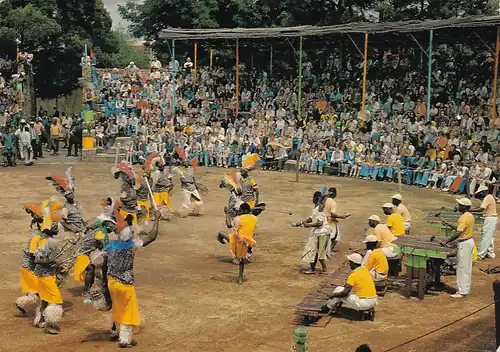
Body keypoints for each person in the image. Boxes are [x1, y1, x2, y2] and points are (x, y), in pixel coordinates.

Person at [105, 203, 160, 348]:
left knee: (117, 307)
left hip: (111, 281)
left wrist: (116, 210)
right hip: (124, 283)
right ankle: (124, 339)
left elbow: (103, 263)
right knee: (128, 310)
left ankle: (115, 331)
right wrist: (157, 219)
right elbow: (152, 236)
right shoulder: (131, 245)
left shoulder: (111, 243)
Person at [33, 217, 64, 334]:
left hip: (46, 275)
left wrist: (57, 266)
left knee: (45, 299)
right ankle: (51, 325)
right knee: (56, 300)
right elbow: (37, 260)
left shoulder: (49, 241)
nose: (57, 229)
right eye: (55, 228)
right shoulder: (46, 243)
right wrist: (53, 262)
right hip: (44, 275)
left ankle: (39, 320)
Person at [441, 198, 475, 298]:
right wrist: (449, 224)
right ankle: (464, 289)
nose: (458, 206)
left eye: (460, 205)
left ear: (464, 207)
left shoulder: (463, 218)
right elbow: (459, 228)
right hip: (469, 242)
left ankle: (462, 292)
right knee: (466, 268)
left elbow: (459, 232)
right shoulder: (470, 216)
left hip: (465, 244)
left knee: (462, 268)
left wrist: (447, 241)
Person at [217, 203, 258, 284]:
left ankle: (220, 235)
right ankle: (240, 278)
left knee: (240, 257)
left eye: (240, 210)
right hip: (248, 240)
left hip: (238, 240)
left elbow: (231, 227)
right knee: (242, 260)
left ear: (243, 210)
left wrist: (227, 213)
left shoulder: (238, 219)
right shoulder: (254, 218)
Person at [16, 203, 44, 316]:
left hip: (30, 266)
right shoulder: (37, 237)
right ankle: (21, 303)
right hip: (29, 267)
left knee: (37, 291)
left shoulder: (41, 235)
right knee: (37, 292)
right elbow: (33, 256)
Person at [294, 191, 332, 274]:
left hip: (322, 233)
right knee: (315, 250)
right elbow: (312, 218)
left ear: (316, 198)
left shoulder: (320, 209)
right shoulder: (316, 208)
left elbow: (319, 223)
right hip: (319, 232)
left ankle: (320, 269)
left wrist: (308, 225)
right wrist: (301, 222)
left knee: (316, 251)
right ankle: (316, 268)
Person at [46, 167, 86, 235]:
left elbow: (80, 216)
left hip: (80, 226)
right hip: (74, 228)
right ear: (66, 197)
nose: (70, 196)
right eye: (68, 196)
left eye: (71, 194)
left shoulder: (76, 203)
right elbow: (62, 218)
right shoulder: (66, 208)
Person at [471, 186, 497, 260]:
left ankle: (480, 254)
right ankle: (490, 253)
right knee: (490, 236)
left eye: (480, 193)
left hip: (490, 218)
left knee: (485, 236)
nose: (480, 194)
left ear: (483, 192)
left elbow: (481, 209)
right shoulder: (490, 197)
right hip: (492, 218)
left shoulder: (487, 198)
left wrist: (470, 210)